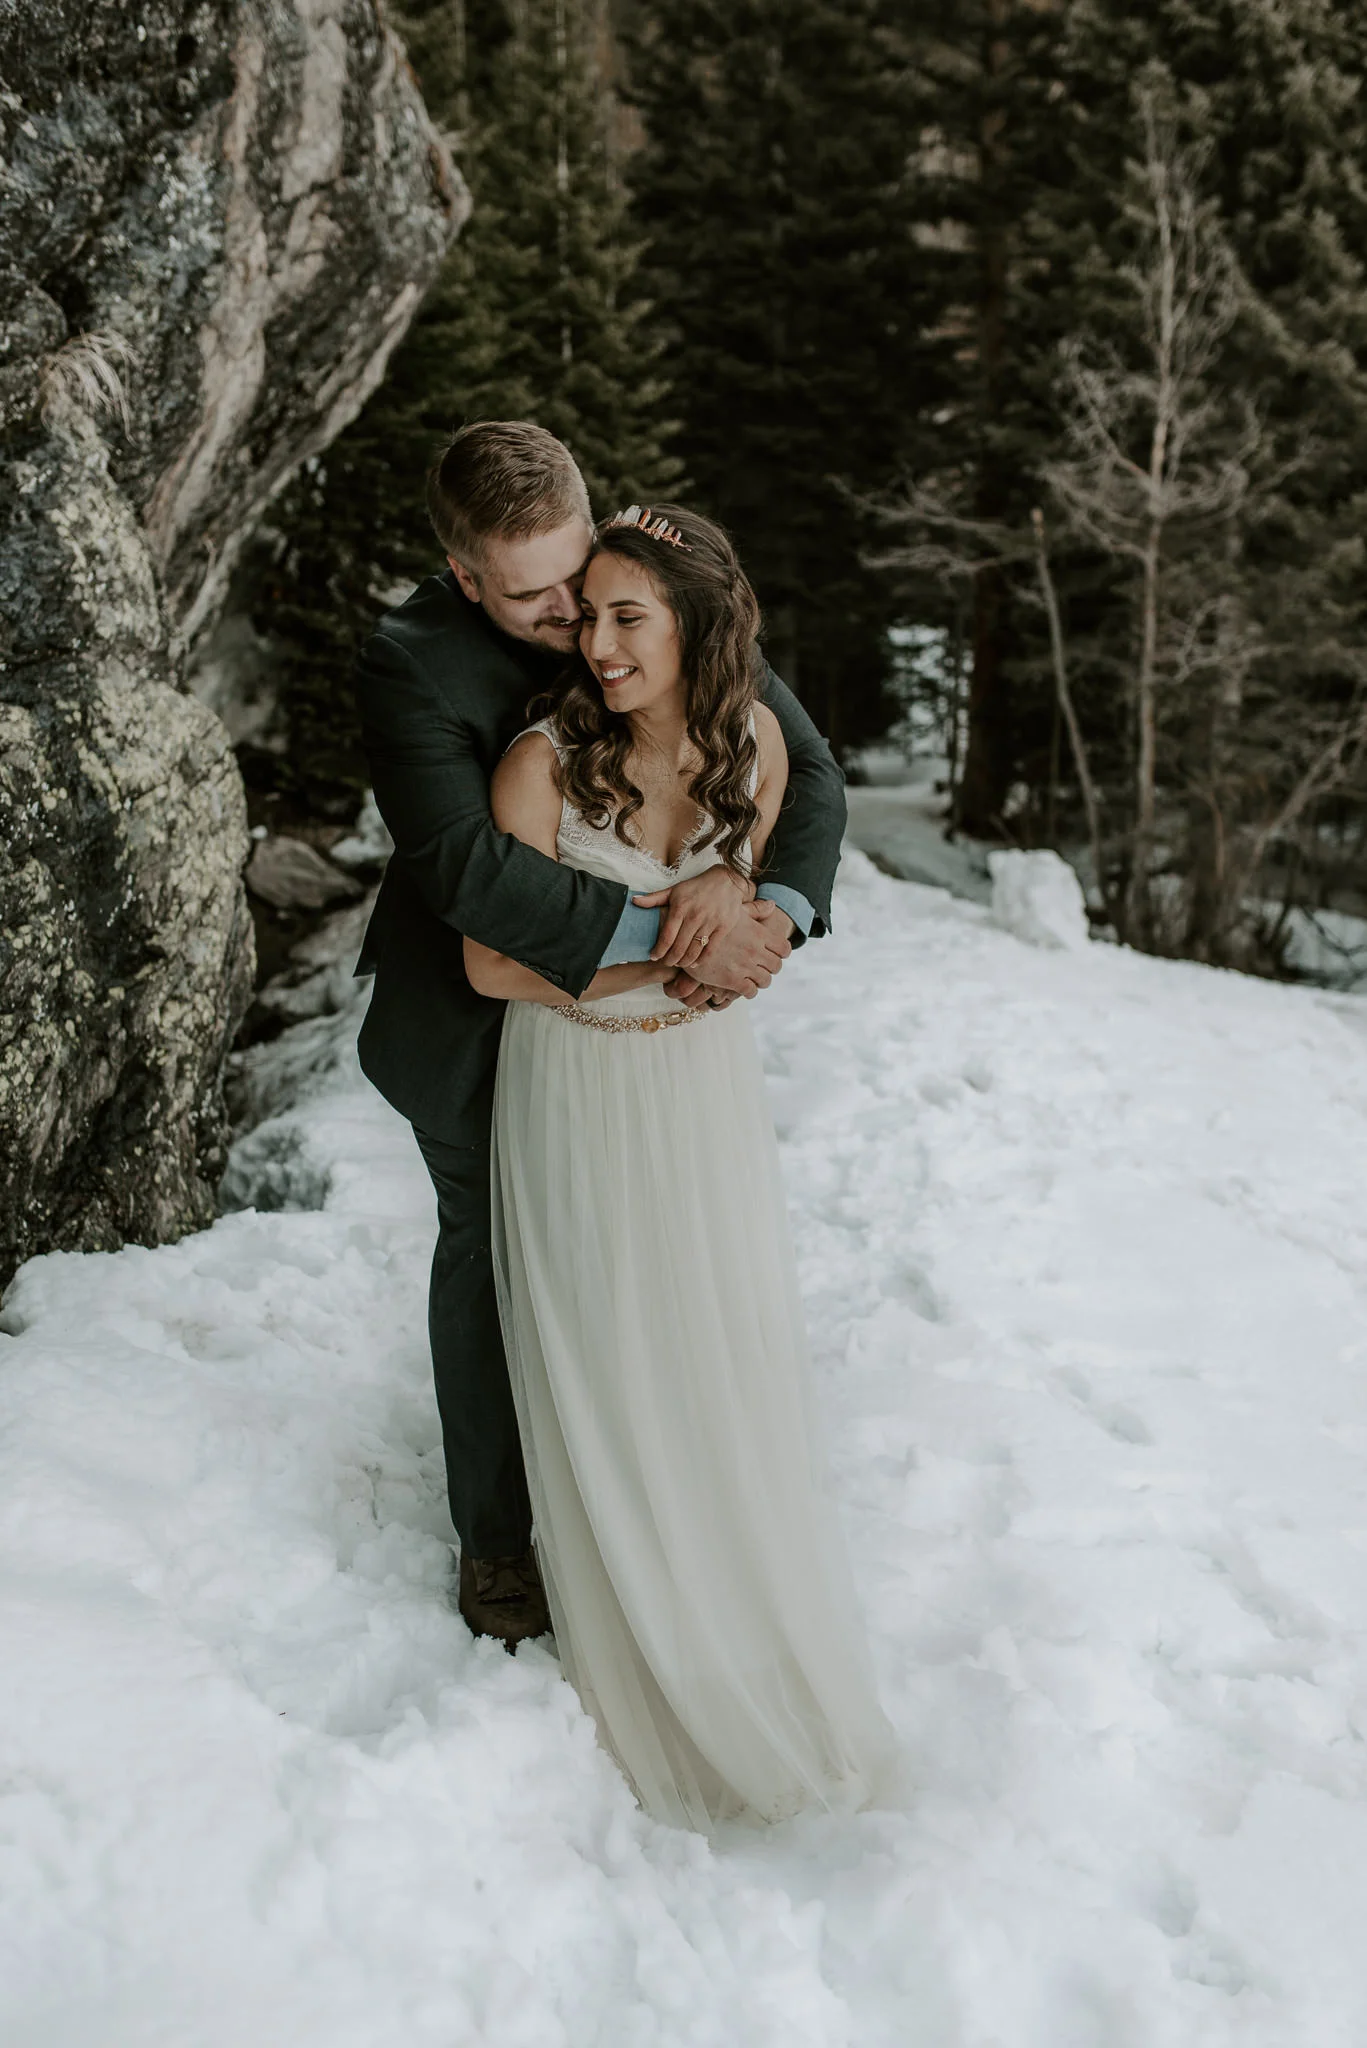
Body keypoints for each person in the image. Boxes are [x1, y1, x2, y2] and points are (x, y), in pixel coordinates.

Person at [354, 423, 847, 1648]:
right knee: (496, 1253)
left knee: (648, 1251)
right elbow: (470, 878)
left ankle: (658, 1490)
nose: (576, 617)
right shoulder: (408, 665)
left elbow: (807, 764)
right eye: (534, 598)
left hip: (646, 1027)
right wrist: (682, 926)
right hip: (475, 1016)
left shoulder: (634, 582)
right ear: (465, 576)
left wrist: (765, 901)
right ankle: (498, 1537)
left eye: (578, 575)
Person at [463, 502, 895, 1830]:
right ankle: (636, 1631)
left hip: (701, 1086)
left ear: (697, 624)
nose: (594, 643)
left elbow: (763, 904)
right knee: (606, 1346)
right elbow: (491, 962)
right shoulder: (540, 764)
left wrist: (751, 911)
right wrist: (668, 939)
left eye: (625, 616)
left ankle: (737, 1609)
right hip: (576, 1081)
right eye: (586, 615)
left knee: (710, 1338)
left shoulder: (752, 741)